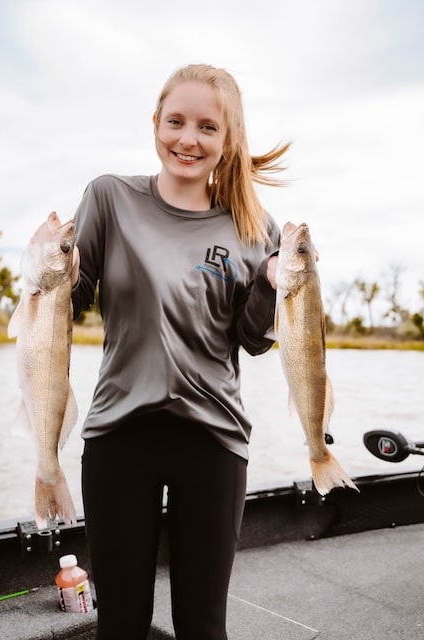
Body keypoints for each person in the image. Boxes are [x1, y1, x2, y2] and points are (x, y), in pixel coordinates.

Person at [70, 63, 290, 640]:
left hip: (213, 440)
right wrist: (48, 270)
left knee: (201, 624)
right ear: (156, 124)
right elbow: (69, 303)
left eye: (207, 127)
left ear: (228, 139)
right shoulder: (109, 199)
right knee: (120, 624)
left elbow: (253, 341)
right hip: (119, 435)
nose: (187, 139)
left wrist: (270, 285)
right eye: (176, 122)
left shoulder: (255, 228)